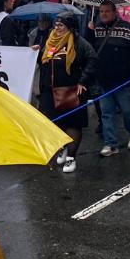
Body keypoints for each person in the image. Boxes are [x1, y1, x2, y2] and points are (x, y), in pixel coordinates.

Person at [36, 11, 97, 174]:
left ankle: (71, 157)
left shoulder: (79, 42)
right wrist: (36, 51)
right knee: (54, 122)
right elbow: (44, 62)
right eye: (56, 25)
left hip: (70, 90)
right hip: (49, 90)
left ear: (70, 27)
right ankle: (64, 146)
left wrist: (82, 81)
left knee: (73, 124)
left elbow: (92, 59)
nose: (57, 28)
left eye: (61, 25)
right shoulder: (50, 41)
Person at [90, 0, 130, 157]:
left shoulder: (128, 29)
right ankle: (111, 143)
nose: (104, 14)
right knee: (107, 113)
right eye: (101, 11)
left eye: (107, 11)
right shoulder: (96, 28)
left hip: (124, 80)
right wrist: (88, 31)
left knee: (127, 111)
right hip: (104, 79)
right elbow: (91, 50)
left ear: (115, 12)